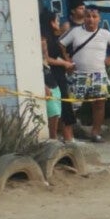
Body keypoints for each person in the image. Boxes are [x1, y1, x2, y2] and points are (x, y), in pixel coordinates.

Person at [58, 6, 110, 143]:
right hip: (78, 74)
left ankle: (96, 133)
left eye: (94, 17)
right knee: (72, 105)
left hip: (98, 75)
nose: (91, 19)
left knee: (99, 104)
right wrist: (67, 60)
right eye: (88, 16)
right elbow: (60, 44)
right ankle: (66, 134)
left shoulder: (105, 34)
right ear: (84, 18)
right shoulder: (75, 31)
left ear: (99, 19)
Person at [40, 11, 76, 141]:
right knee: (59, 106)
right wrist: (64, 63)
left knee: (63, 105)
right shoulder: (44, 39)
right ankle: (61, 137)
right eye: (57, 20)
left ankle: (67, 136)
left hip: (60, 74)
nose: (59, 23)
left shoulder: (55, 37)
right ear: (51, 22)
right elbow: (46, 59)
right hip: (52, 75)